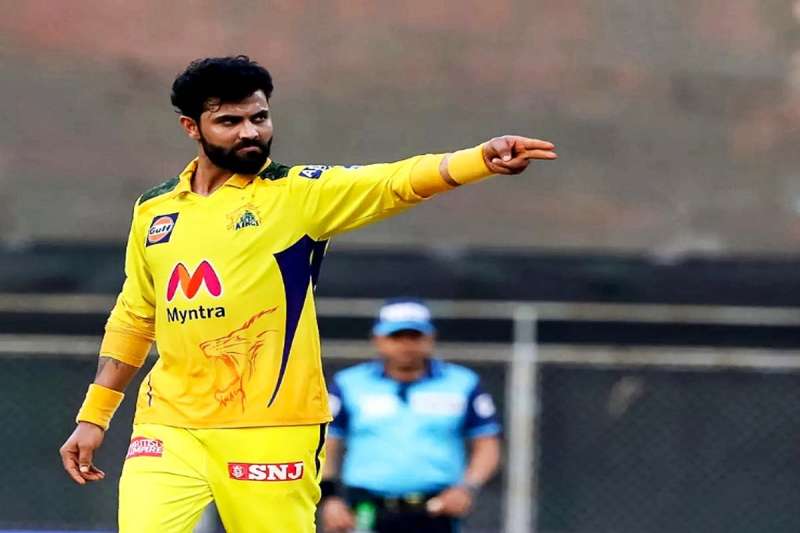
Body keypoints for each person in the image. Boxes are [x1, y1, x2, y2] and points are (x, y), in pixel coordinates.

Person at [57, 55, 556, 533]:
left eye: (259, 117)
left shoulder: (298, 194)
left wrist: (478, 160)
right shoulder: (155, 209)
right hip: (168, 423)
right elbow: (135, 316)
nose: (250, 132)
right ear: (192, 127)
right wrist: (94, 416)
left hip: (272, 427)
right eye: (229, 121)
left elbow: (392, 183)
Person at [320, 299, 502, 533]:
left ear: (430, 338)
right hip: (365, 508)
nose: (406, 345)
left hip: (436, 509)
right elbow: (327, 443)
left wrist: (466, 488)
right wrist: (330, 497)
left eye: (414, 336)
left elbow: (487, 444)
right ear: (378, 339)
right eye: (396, 336)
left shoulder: (462, 383)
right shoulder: (349, 384)